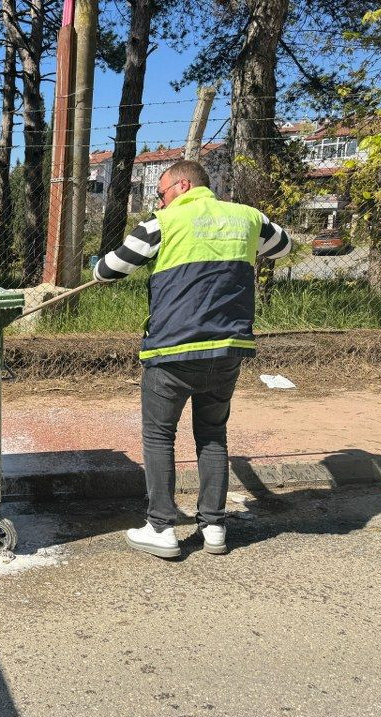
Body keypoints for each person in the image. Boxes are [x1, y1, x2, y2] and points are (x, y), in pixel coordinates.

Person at [93, 160, 292, 558]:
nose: (159, 201)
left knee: (159, 436)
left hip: (172, 351)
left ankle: (161, 528)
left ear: (181, 186)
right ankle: (214, 527)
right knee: (213, 434)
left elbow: (106, 270)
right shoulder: (248, 218)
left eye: (161, 193)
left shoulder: (161, 224)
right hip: (227, 349)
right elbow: (284, 247)